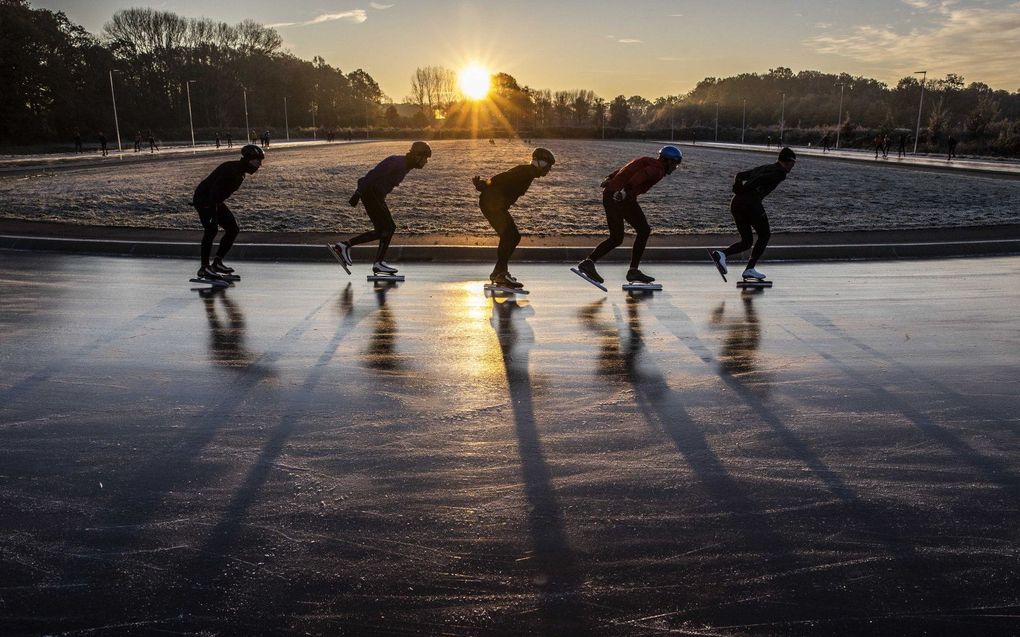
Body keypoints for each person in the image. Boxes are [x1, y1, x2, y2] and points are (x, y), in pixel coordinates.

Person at [574, 146, 682, 286]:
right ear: (669, 161)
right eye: (675, 164)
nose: (675, 168)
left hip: (617, 196)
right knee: (630, 234)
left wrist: (611, 178)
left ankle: (599, 264)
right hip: (619, 197)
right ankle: (598, 264)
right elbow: (642, 175)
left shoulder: (647, 160)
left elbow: (627, 167)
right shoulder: (658, 169)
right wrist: (625, 190)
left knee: (630, 234)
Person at [329, 141, 433, 276]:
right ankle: (354, 250)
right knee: (388, 228)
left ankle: (359, 253)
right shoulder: (396, 161)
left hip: (376, 195)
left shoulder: (406, 165)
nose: (426, 162)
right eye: (425, 158)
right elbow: (373, 174)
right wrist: (358, 194)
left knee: (385, 229)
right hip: (370, 193)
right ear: (416, 156)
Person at [471, 147, 556, 289]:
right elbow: (502, 177)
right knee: (510, 236)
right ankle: (501, 273)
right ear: (541, 164)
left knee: (512, 236)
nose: (549, 170)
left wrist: (484, 186)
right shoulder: (526, 172)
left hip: (493, 204)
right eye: (548, 167)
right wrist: (484, 184)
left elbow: (503, 180)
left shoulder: (527, 172)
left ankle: (499, 272)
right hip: (492, 204)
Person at [710, 147, 796, 282]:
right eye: (793, 163)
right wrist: (746, 189)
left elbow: (739, 175)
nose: (792, 167)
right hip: (750, 204)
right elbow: (761, 179)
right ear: (788, 161)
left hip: (736, 203)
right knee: (765, 234)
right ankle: (749, 269)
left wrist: (738, 188)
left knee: (747, 241)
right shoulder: (780, 172)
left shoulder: (766, 167)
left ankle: (722, 254)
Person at [192, 144, 265, 281]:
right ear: (249, 159)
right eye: (257, 160)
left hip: (215, 200)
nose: (259, 164)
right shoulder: (232, 170)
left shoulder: (240, 171)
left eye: (260, 161)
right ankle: (204, 268)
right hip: (205, 200)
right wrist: (211, 209)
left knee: (233, 229)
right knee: (211, 230)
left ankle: (217, 262)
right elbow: (213, 190)